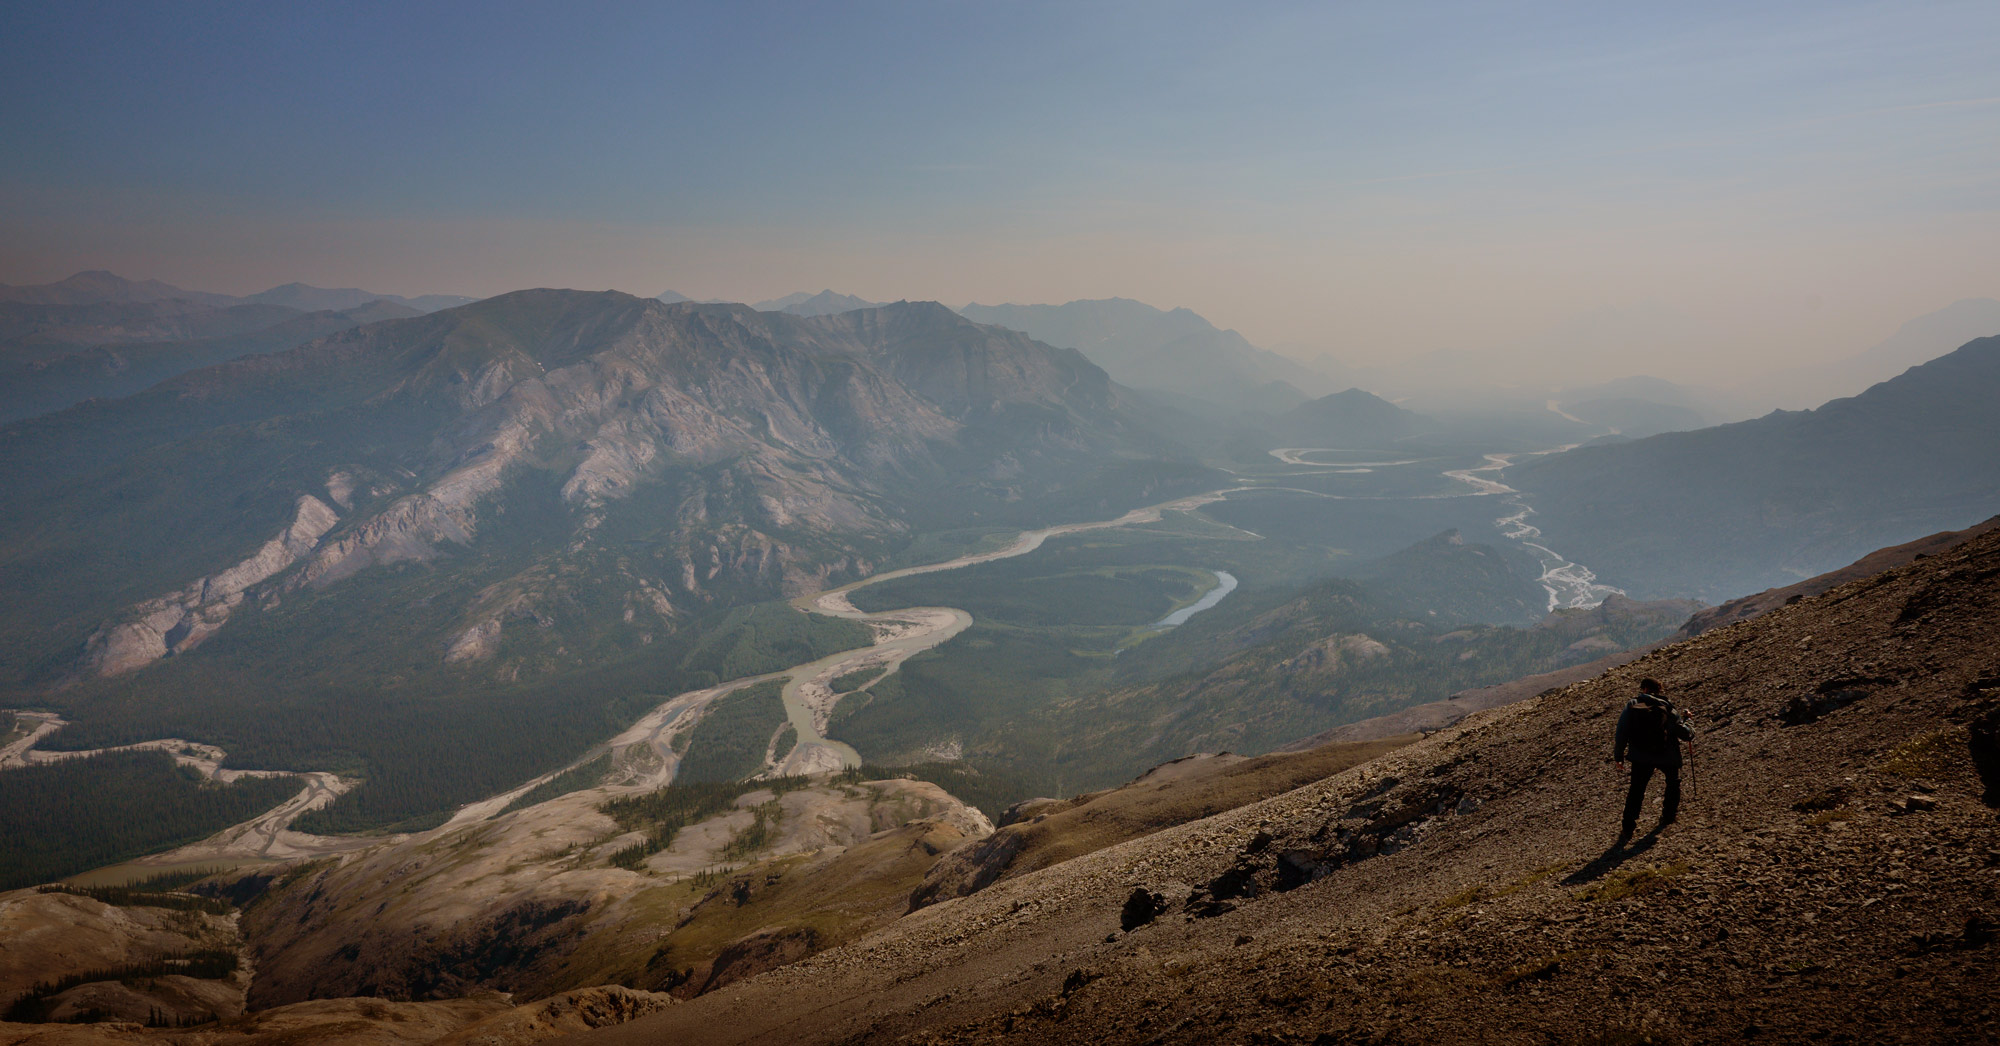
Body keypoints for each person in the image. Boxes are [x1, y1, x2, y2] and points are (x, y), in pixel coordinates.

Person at [1612, 677, 1693, 844]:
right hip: (1667, 754)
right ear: (1659, 690)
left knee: (1636, 790)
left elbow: (1621, 732)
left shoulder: (1632, 705)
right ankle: (1668, 817)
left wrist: (1618, 757)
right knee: (1673, 782)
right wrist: (1688, 721)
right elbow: (1685, 734)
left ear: (1644, 689)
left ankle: (1628, 827)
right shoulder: (1667, 707)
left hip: (1641, 756)